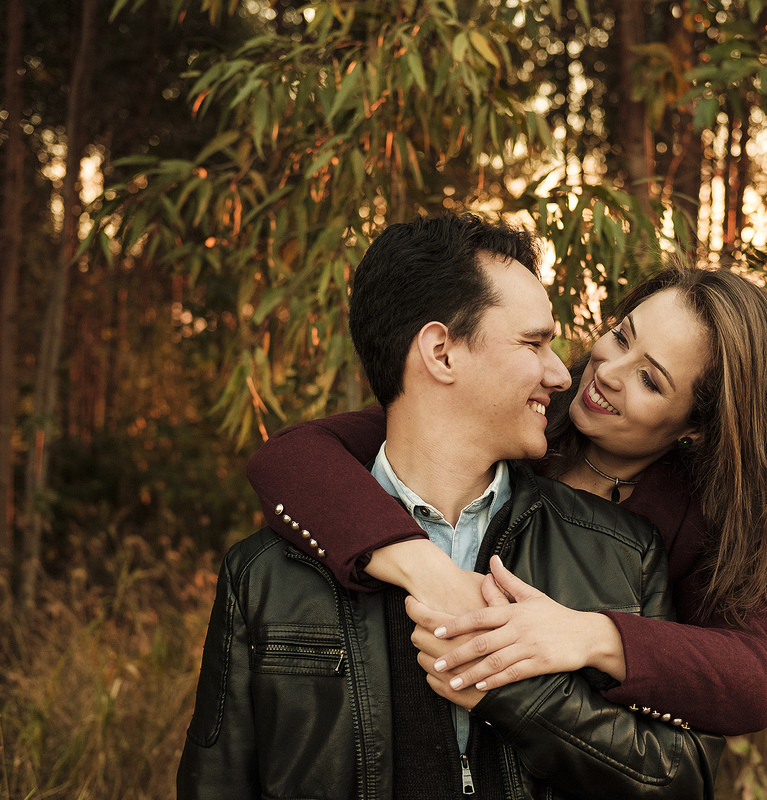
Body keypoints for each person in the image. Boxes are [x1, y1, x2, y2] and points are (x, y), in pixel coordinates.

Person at [177, 214, 724, 800]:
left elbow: (681, 781)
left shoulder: (623, 554)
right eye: (534, 343)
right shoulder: (264, 576)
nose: (563, 373)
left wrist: (512, 687)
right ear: (441, 352)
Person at [246, 255, 767, 737]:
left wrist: (587, 636)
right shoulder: (523, 413)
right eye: (621, 336)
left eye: (651, 379)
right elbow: (292, 457)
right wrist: (426, 569)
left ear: (699, 425)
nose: (607, 371)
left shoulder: (698, 518)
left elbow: (752, 679)